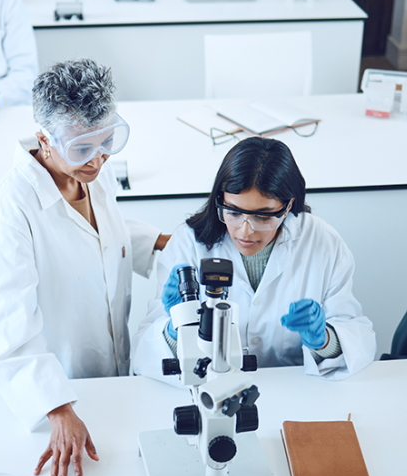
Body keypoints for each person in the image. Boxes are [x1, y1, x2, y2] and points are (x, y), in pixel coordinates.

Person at [0, 59, 170, 476]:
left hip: (117, 382)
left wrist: (160, 242)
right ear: (44, 138)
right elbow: (7, 336)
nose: (97, 160)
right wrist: (58, 408)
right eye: (82, 148)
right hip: (61, 395)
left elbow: (101, 237)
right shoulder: (11, 210)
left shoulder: (89, 172)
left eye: (106, 142)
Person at [133, 137, 375, 381]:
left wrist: (324, 339)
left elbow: (358, 339)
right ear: (221, 199)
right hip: (212, 390)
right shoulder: (187, 244)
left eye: (263, 216)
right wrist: (176, 329)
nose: (245, 231)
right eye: (234, 212)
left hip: (296, 392)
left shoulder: (322, 243)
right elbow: (145, 356)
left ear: (288, 206)